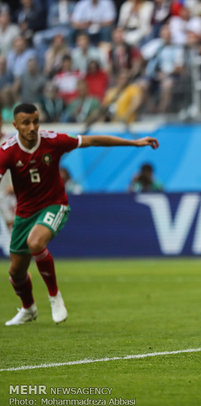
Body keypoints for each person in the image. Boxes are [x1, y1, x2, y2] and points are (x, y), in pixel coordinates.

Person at [1, 103, 159, 326]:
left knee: (35, 243)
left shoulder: (53, 140)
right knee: (16, 273)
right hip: (24, 213)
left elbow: (93, 140)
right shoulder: (7, 151)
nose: (32, 127)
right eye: (26, 123)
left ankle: (55, 297)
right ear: (15, 125)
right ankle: (28, 309)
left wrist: (134, 142)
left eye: (35, 121)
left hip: (54, 205)